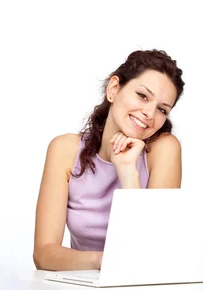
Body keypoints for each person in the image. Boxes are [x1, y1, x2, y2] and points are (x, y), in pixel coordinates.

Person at [33, 49, 185, 270]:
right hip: (84, 281)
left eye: (162, 109)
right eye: (142, 96)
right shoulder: (65, 150)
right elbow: (43, 254)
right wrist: (103, 261)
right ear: (114, 89)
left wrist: (127, 172)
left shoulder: (164, 149)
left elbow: (151, 251)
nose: (150, 114)